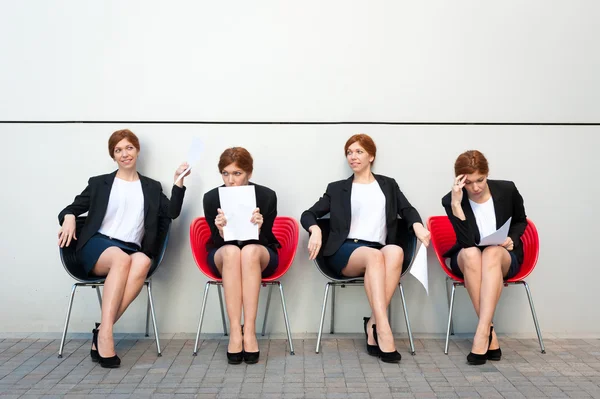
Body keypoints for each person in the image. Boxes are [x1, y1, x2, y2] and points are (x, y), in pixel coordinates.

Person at [58, 129, 189, 368]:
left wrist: (178, 181)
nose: (124, 154)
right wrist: (68, 216)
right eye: (118, 150)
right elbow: (71, 208)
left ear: (137, 151)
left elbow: (171, 213)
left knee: (142, 261)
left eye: (128, 148)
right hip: (97, 245)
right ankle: (106, 336)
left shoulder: (151, 186)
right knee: (121, 259)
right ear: (113, 156)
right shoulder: (99, 183)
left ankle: (101, 330)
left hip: (130, 248)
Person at [300, 134, 430, 363]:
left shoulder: (388, 185)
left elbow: (407, 209)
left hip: (378, 250)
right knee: (375, 256)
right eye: (349, 152)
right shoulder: (337, 188)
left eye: (359, 151)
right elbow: (308, 214)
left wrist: (418, 226)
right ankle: (384, 331)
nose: (353, 156)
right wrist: (316, 229)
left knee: (396, 251)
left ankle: (372, 323)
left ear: (371, 156)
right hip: (345, 250)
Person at [441, 150, 527, 365]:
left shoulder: (507, 189)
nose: (476, 187)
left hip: (502, 256)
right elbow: (466, 242)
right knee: (472, 253)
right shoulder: (451, 200)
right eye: (469, 183)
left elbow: (520, 221)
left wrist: (511, 238)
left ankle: (481, 333)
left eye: (480, 180)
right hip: (468, 258)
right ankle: (488, 333)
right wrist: (456, 205)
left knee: (491, 252)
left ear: (487, 174)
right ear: (460, 181)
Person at [203, 147, 280, 364]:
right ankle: (236, 332)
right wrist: (220, 231)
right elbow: (214, 243)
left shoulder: (266, 196)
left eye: (237, 173)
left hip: (259, 252)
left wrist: (259, 228)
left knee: (248, 251)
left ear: (248, 173)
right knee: (231, 251)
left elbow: (268, 238)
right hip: (224, 254)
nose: (231, 180)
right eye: (226, 173)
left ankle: (251, 330)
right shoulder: (211, 197)